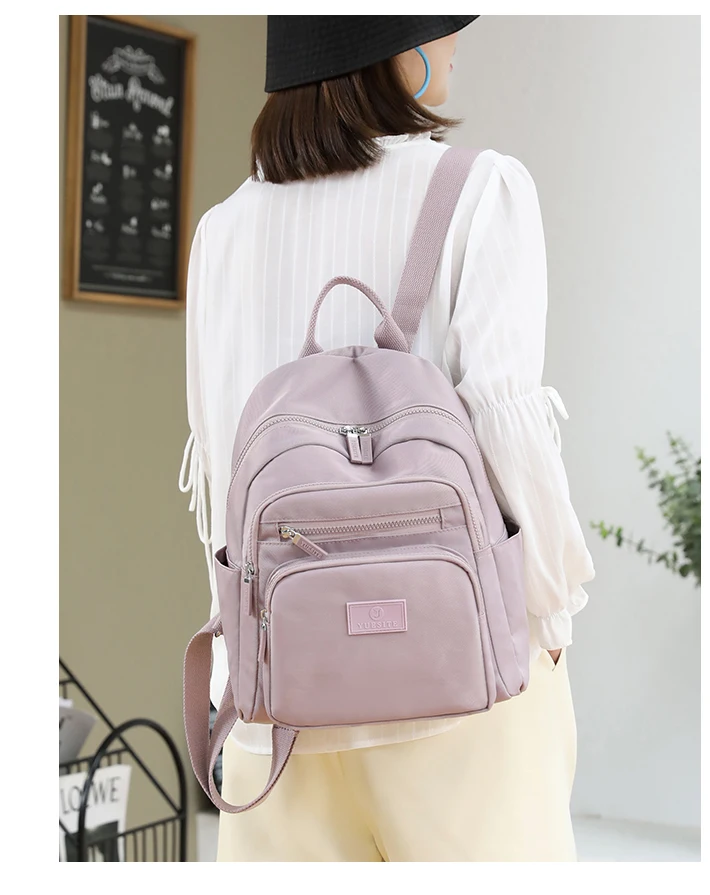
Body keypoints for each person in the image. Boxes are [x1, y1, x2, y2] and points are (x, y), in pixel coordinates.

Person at [180, 15, 595, 862]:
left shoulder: (221, 229)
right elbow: (506, 426)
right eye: (441, 28)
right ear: (396, 53)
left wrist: (244, 660)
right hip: (457, 686)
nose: (454, 45)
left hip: (280, 703)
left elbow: (221, 463)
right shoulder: (480, 189)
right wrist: (552, 606)